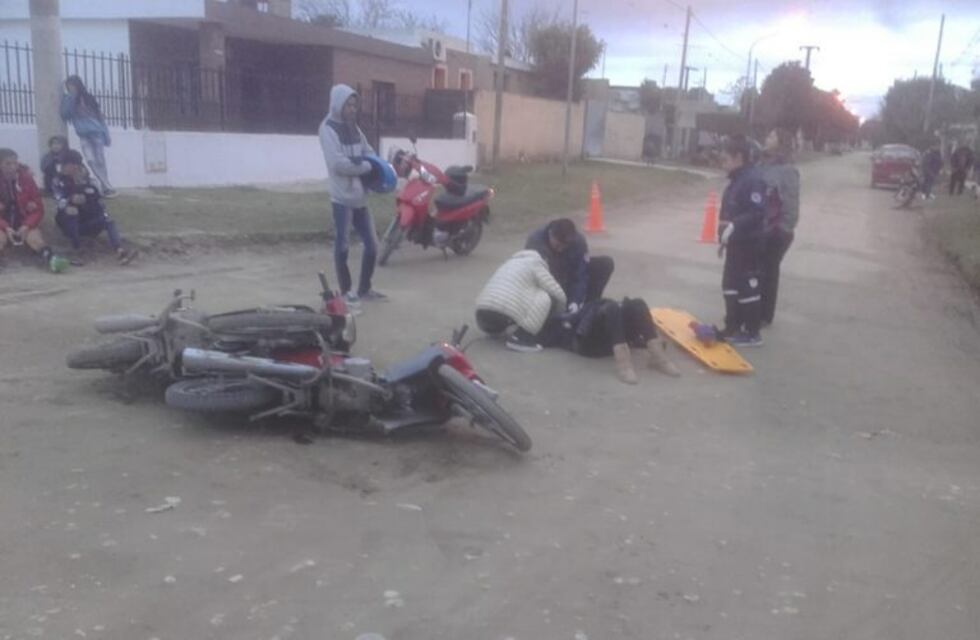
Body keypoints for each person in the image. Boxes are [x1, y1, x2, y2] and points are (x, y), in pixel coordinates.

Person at [319, 84, 385, 306]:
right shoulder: (327, 129)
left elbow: (369, 152)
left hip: (360, 197)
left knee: (373, 246)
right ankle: (347, 292)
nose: (352, 108)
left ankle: (365, 288)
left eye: (355, 104)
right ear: (338, 103)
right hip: (342, 199)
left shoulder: (354, 128)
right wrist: (366, 167)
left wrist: (374, 164)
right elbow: (338, 164)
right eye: (348, 104)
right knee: (343, 245)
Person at [538, 297, 681, 384]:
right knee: (611, 308)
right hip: (586, 342)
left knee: (637, 303)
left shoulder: (580, 266)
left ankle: (658, 357)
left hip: (606, 336)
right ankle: (624, 364)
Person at [717, 135, 768, 347]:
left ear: (739, 157)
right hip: (735, 243)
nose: (722, 163)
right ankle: (733, 326)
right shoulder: (736, 180)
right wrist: (722, 238)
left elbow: (757, 212)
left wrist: (735, 226)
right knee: (730, 285)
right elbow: (729, 210)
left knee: (747, 286)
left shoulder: (752, 179)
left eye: (725, 158)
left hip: (749, 242)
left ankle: (752, 331)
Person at [475, 249, 567, 352]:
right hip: (501, 315)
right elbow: (556, 291)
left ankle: (494, 330)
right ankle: (521, 338)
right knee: (544, 295)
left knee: (515, 292)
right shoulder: (535, 263)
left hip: (482, 316)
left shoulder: (509, 262)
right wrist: (563, 311)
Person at [54, 150, 136, 266]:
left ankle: (120, 251)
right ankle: (77, 252)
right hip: (69, 223)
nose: (63, 167)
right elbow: (59, 200)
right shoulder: (59, 180)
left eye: (66, 164)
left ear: (74, 165)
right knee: (71, 212)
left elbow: (99, 203)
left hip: (88, 220)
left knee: (108, 221)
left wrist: (83, 190)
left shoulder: (89, 181)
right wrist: (70, 200)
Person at [526, 218, 614, 315]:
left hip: (568, 278)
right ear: (550, 234)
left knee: (605, 264)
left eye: (565, 246)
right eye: (557, 246)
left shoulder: (578, 242)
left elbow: (580, 275)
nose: (560, 250)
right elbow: (533, 277)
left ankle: (588, 309)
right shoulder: (535, 243)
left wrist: (576, 301)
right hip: (547, 285)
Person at [757, 127, 800, 327]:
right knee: (757, 269)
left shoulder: (788, 171)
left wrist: (783, 229)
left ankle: (764, 315)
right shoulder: (762, 164)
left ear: (781, 142)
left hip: (776, 231)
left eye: (772, 136)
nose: (767, 137)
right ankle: (753, 309)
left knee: (769, 271)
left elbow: (791, 204)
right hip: (759, 227)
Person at [0, 149, 67, 272]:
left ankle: (52, 260)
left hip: (23, 221)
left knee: (35, 239)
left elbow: (39, 208)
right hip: (2, 223)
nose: (12, 167)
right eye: (7, 164)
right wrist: (6, 227)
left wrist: (26, 225)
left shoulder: (26, 179)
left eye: (15, 163)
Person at [60, 75, 115, 197]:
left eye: (73, 85)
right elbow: (65, 114)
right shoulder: (68, 99)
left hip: (97, 133)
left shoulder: (88, 98)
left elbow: (100, 117)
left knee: (100, 160)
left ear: (78, 85)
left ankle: (106, 187)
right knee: (90, 160)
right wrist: (71, 98)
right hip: (83, 135)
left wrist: (106, 134)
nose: (71, 88)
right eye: (68, 86)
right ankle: (106, 185)